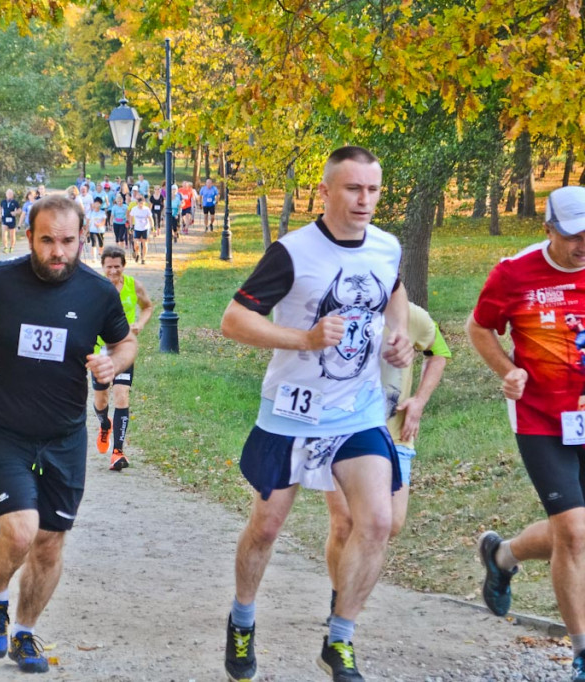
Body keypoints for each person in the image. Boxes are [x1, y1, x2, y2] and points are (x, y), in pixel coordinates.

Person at [219, 146, 413, 682]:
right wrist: (302, 338)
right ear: (325, 192)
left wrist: (399, 337)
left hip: (357, 410)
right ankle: (242, 618)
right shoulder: (292, 253)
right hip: (292, 413)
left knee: (374, 521)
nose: (365, 200)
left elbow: (395, 295)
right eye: (353, 189)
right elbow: (234, 320)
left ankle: (340, 639)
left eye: (373, 190)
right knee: (266, 527)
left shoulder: (386, 246)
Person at [0, 194, 137, 673]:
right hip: (5, 427)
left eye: (68, 241)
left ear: (81, 238)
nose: (58, 251)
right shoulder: (0, 279)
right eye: (47, 240)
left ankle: (25, 633)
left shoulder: (97, 292)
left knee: (51, 542)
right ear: (29, 236)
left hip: (65, 433)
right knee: (21, 529)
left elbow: (125, 339)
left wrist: (113, 362)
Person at [467, 185, 585, 682]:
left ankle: (503, 554)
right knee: (575, 533)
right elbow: (479, 328)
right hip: (541, 420)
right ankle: (582, 652)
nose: (584, 245)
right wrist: (506, 370)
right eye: (574, 236)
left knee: (577, 532)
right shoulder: (513, 273)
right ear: (549, 230)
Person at [323, 302, 450, 620]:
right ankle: (341, 603)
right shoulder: (334, 313)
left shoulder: (411, 316)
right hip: (339, 433)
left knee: (390, 523)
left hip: (394, 436)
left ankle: (350, 587)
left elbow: (439, 352)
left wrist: (419, 401)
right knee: (344, 522)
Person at [92, 246, 154, 471]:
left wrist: (140, 323)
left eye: (117, 267)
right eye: (109, 267)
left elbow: (147, 307)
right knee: (101, 401)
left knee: (121, 395)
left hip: (123, 349)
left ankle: (117, 451)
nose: (113, 271)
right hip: (99, 351)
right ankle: (104, 425)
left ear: (123, 266)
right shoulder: (94, 287)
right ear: (103, 267)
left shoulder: (133, 285)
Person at [129, 195, 154, 265]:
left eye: (142, 204)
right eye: (140, 204)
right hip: (137, 228)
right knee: (136, 243)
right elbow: (131, 217)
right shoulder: (134, 209)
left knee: (144, 243)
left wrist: (152, 227)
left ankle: (144, 258)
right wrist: (131, 226)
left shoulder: (146, 209)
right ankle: (137, 253)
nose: (141, 205)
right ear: (137, 203)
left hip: (145, 228)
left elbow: (150, 218)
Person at [85, 197, 108, 263]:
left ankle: (101, 254)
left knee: (101, 244)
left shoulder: (102, 213)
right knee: (93, 243)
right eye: (96, 203)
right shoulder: (91, 213)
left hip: (100, 230)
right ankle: (94, 257)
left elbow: (104, 222)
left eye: (98, 203)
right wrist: (86, 230)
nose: (97, 205)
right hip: (92, 230)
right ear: (94, 204)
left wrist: (99, 224)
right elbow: (87, 222)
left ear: (100, 204)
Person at [0, 189, 21, 254]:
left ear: (12, 195)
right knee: (4, 233)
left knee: (12, 235)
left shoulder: (15, 202)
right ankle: (5, 247)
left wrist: (15, 212)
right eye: (8, 193)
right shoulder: (3, 201)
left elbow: (20, 210)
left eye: (10, 194)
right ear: (6, 194)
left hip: (12, 219)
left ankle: (12, 247)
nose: (9, 195)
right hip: (5, 219)